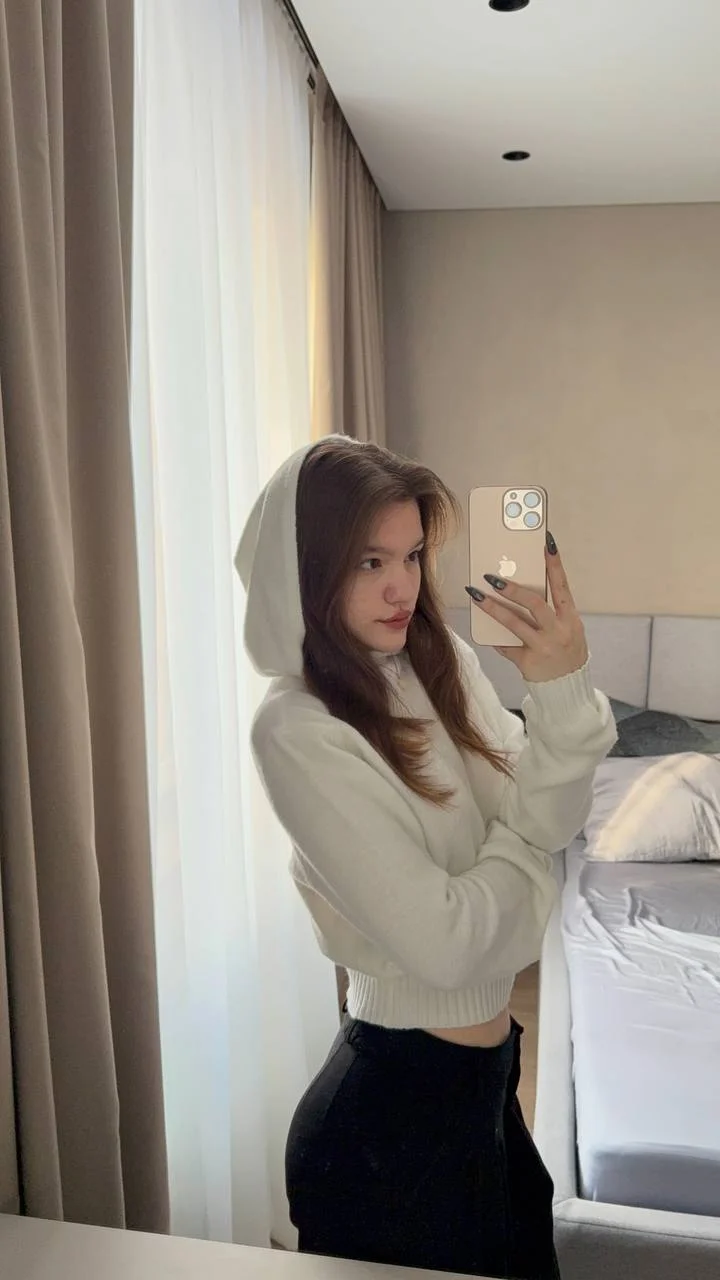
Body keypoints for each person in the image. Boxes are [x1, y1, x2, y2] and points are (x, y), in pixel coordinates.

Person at [235, 435, 616, 1280]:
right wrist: (528, 846)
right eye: (369, 561)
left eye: (411, 556)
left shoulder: (438, 665)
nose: (400, 586)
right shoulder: (296, 727)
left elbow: (550, 812)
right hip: (387, 1124)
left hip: (485, 1085)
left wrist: (560, 685)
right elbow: (449, 943)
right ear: (304, 568)